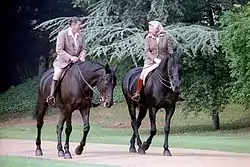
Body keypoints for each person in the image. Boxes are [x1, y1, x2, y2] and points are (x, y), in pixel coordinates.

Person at [131, 20, 177, 101]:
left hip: (164, 62)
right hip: (151, 62)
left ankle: (176, 94)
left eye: (151, 28)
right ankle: (137, 93)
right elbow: (147, 51)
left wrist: (170, 58)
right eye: (149, 28)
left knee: (173, 74)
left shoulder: (165, 37)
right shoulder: (148, 37)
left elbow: (170, 50)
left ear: (157, 29)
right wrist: (154, 59)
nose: (149, 30)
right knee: (143, 75)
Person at [46, 17, 87, 105]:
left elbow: (84, 48)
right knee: (57, 74)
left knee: (86, 74)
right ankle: (52, 96)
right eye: (79, 25)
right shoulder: (62, 34)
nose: (80, 26)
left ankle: (88, 98)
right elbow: (59, 50)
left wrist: (83, 55)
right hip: (63, 62)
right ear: (73, 25)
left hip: (77, 61)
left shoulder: (81, 35)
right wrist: (70, 57)